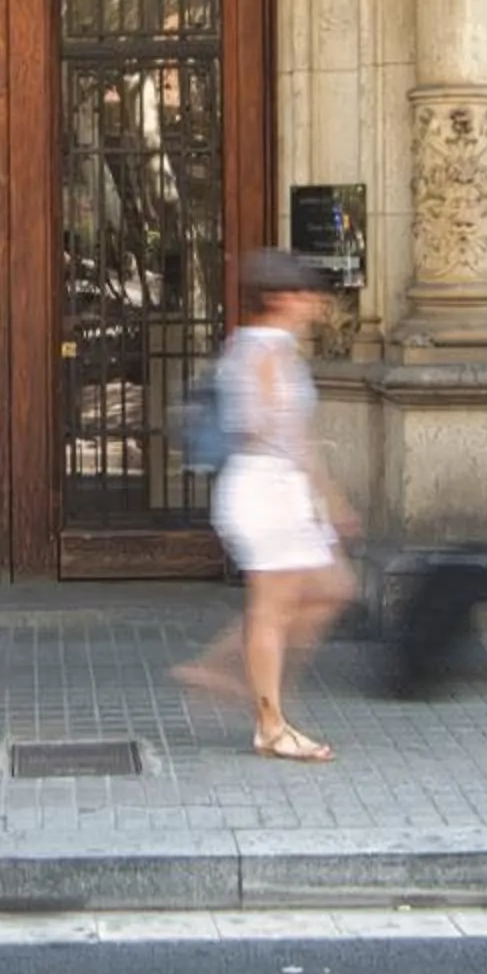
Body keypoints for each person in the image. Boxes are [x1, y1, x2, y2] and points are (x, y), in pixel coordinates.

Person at [174, 249, 357, 763]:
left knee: (329, 589)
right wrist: (327, 496)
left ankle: (233, 672)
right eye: (305, 295)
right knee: (273, 611)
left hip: (274, 487)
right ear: (279, 298)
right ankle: (269, 722)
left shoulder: (255, 347)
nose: (315, 304)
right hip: (266, 488)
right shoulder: (267, 351)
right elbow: (272, 429)